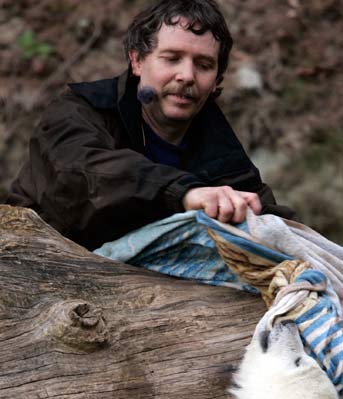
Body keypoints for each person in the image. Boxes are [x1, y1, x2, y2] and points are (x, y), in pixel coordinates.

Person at [8, 0, 295, 251]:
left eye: (204, 65)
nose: (187, 75)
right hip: (40, 267)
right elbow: (83, 175)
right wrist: (184, 193)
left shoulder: (218, 145)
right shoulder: (79, 110)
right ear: (137, 61)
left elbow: (267, 216)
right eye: (171, 59)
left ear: (217, 80)